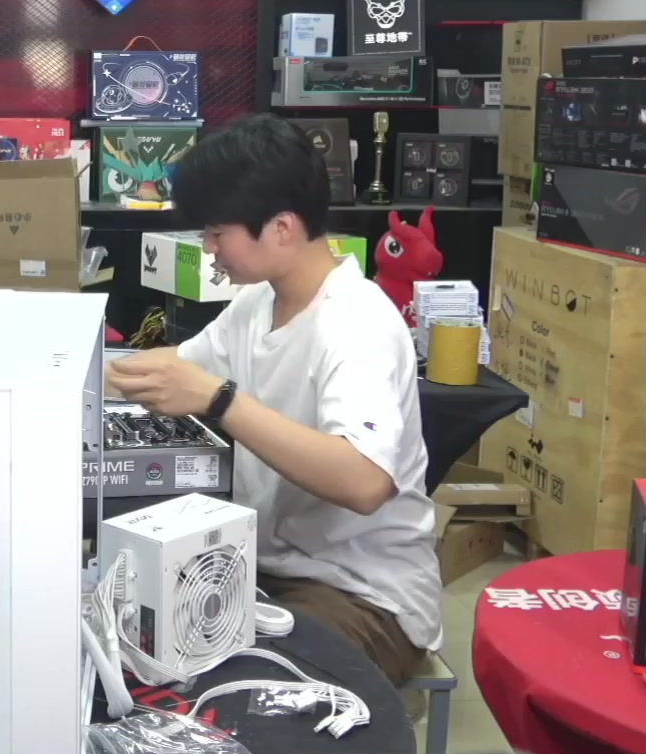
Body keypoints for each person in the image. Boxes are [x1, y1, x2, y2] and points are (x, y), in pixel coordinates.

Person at [105, 113, 441, 687]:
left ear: (282, 228)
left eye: (218, 233)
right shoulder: (255, 306)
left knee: (231, 685)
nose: (209, 248)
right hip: (256, 566)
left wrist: (219, 400)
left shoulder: (356, 323)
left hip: (361, 593)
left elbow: (364, 481)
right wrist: (66, 367)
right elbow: (170, 370)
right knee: (123, 634)